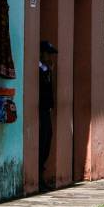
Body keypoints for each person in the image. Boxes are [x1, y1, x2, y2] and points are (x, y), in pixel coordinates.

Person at [38, 40, 58, 191]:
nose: (50, 57)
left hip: (46, 109)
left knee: (47, 140)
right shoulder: (41, 67)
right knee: (43, 141)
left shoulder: (47, 69)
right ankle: (39, 178)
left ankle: (42, 176)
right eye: (48, 54)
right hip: (41, 110)